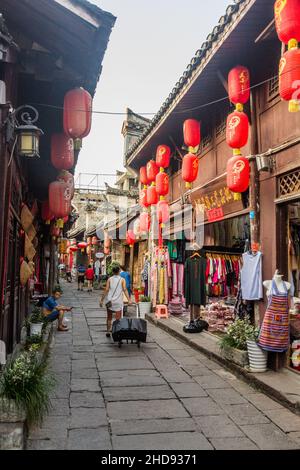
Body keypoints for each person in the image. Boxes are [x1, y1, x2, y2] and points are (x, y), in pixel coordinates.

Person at [100, 265, 131, 338]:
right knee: (118, 318)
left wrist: (101, 300)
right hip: (118, 302)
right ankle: (117, 332)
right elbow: (125, 290)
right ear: (119, 271)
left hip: (109, 301)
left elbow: (106, 290)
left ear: (113, 272)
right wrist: (129, 299)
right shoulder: (122, 280)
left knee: (109, 317)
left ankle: (108, 331)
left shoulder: (109, 279)